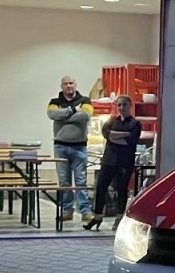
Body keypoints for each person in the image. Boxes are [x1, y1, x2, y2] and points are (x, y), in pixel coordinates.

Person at [85, 96, 144, 231]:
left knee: (121, 189)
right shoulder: (111, 121)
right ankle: (97, 216)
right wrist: (124, 135)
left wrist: (114, 136)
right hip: (108, 160)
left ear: (130, 106)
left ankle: (119, 218)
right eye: (119, 105)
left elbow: (131, 141)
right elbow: (106, 133)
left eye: (124, 105)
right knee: (101, 187)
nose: (121, 108)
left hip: (124, 162)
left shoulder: (135, 124)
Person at [48, 75, 94, 225]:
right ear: (61, 86)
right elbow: (52, 114)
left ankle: (85, 211)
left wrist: (65, 116)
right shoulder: (54, 102)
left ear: (75, 84)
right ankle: (67, 210)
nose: (69, 86)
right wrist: (73, 110)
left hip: (79, 147)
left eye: (71, 83)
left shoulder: (85, 101)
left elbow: (86, 115)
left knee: (81, 180)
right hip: (60, 147)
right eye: (66, 84)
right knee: (64, 182)